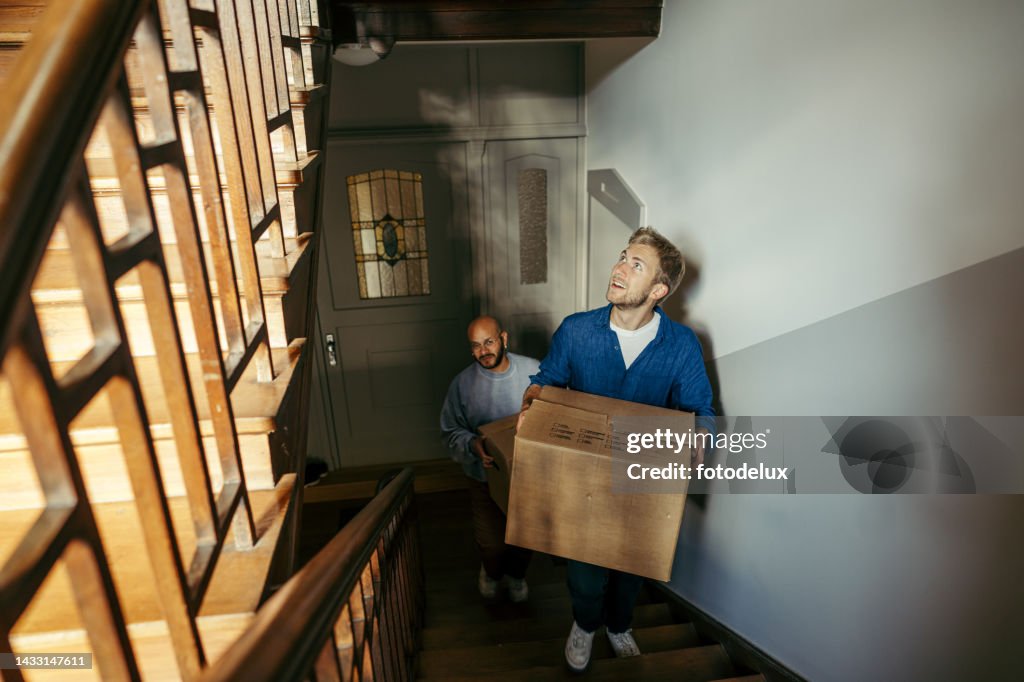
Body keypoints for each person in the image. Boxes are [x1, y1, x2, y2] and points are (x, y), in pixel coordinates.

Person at [520, 227, 714, 672]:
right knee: (584, 576)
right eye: (623, 256)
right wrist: (534, 397)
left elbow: (699, 408)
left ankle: (619, 625)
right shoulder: (575, 330)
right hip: (582, 483)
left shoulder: (681, 345)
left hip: (642, 487)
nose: (619, 268)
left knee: (629, 574)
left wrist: (700, 436)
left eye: (636, 265)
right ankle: (585, 626)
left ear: (658, 290)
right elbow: (547, 381)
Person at [441, 315, 540, 602]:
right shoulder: (462, 385)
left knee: (523, 539)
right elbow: (449, 432)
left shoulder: (535, 372)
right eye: (475, 346)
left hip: (528, 478)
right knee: (492, 544)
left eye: (489, 342)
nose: (483, 351)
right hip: (483, 478)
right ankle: (492, 572)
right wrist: (473, 445)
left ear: (504, 339)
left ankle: (517, 576)